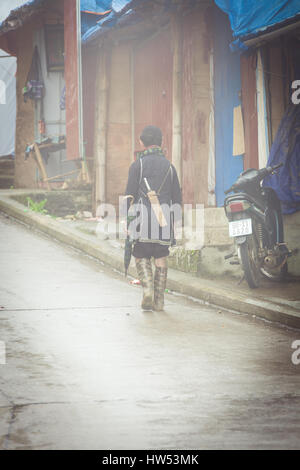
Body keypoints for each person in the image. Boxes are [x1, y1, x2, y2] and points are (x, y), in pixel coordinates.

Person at [125, 125, 182, 311]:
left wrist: (128, 222)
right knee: (161, 256)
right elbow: (177, 199)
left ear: (141, 143)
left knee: (140, 255)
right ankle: (159, 301)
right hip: (164, 218)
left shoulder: (137, 165)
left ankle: (147, 290)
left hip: (142, 218)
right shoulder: (170, 168)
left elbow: (129, 196)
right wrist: (175, 223)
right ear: (161, 142)